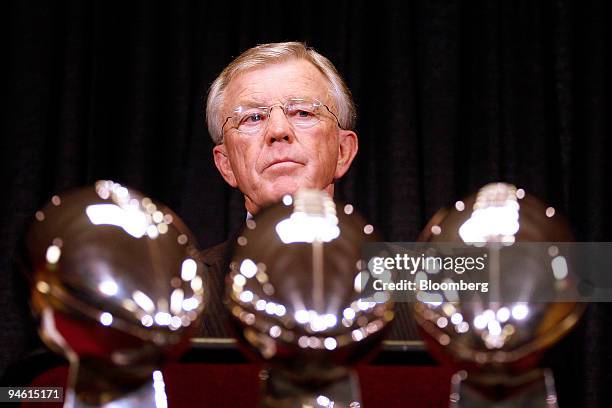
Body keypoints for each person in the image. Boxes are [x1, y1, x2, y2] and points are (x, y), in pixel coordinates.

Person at [199, 42, 359, 337]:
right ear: (226, 165)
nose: (277, 131)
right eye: (253, 118)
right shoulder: (184, 291)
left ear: (342, 151)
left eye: (302, 112)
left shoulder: (421, 286)